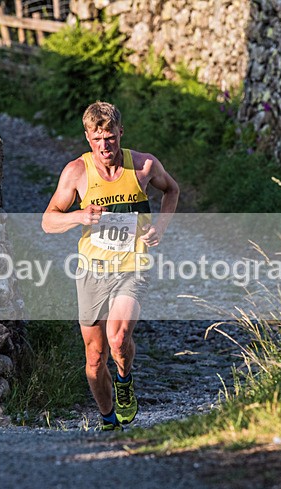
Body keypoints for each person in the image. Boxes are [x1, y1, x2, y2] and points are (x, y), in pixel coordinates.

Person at [42, 101, 180, 430]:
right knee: (94, 357)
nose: (105, 146)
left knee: (117, 339)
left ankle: (124, 379)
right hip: (92, 270)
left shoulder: (144, 165)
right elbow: (48, 221)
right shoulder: (76, 171)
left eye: (111, 138)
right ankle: (108, 421)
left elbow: (172, 190)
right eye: (97, 139)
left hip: (133, 264)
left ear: (120, 133)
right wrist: (79, 216)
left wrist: (159, 228)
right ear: (88, 138)